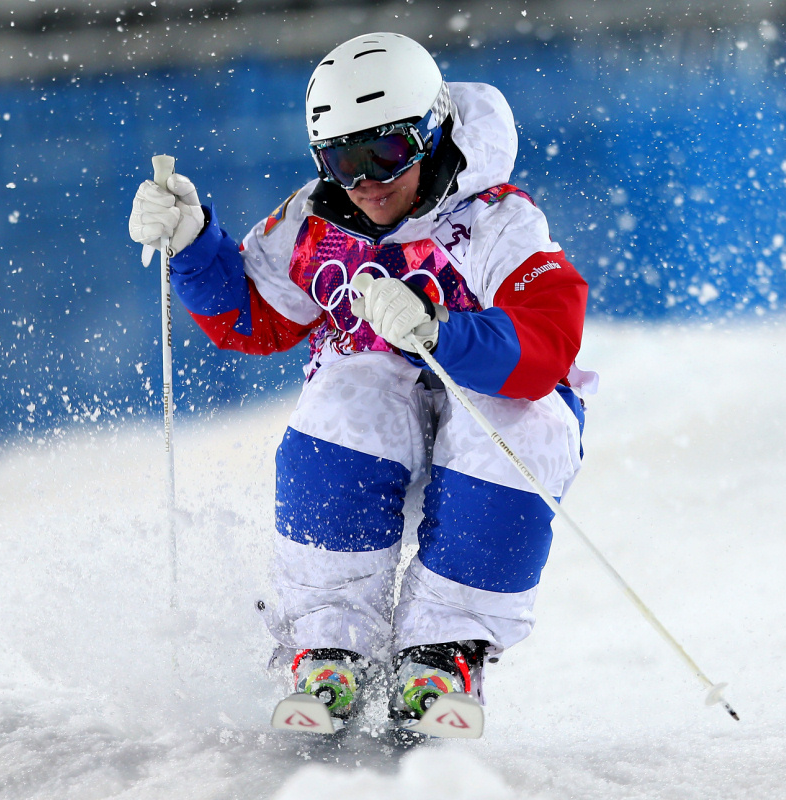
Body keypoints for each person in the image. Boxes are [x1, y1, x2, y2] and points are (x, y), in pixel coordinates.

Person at [129, 31, 594, 732]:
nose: (367, 180)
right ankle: (328, 642)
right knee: (349, 398)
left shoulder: (497, 220)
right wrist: (195, 247)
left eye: (385, 152)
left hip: (486, 394)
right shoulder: (316, 219)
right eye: (343, 159)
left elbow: (548, 344)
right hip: (374, 410)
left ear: (432, 134)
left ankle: (443, 653)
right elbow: (255, 317)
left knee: (522, 423)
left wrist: (441, 331)